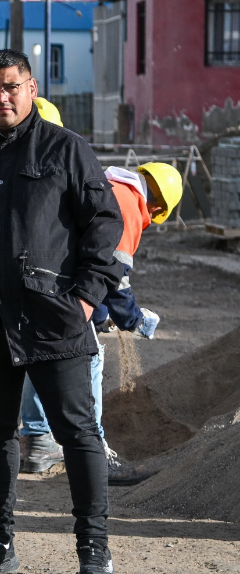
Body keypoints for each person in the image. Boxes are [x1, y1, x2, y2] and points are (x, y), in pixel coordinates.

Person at [0, 49, 123, 574]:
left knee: (78, 433)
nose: (1, 97)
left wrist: (86, 296)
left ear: (31, 88)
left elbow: (105, 223)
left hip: (52, 317)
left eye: (11, 86)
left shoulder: (67, 150)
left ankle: (93, 549)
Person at [19, 161, 182, 484]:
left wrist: (102, 312)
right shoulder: (130, 203)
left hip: (36, 275)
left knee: (39, 352)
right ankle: (95, 453)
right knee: (90, 357)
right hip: (62, 289)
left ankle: (38, 441)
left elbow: (87, 255)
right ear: (159, 206)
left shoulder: (104, 183)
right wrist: (133, 318)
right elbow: (114, 274)